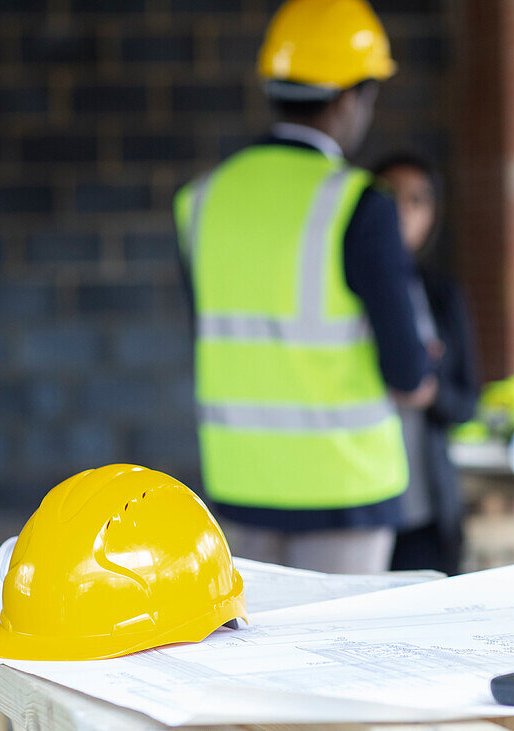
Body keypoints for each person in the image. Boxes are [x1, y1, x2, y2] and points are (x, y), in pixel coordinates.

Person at [173, 0, 436, 574]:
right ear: (349, 96)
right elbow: (407, 371)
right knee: (339, 663)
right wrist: (422, 375)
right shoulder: (360, 204)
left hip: (240, 485)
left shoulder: (200, 200)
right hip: (347, 493)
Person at [373, 153, 480, 576]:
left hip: (426, 507)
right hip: (360, 505)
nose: (403, 211)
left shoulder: (441, 293)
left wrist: (428, 391)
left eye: (417, 200)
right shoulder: (340, 292)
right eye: (390, 197)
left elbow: (468, 401)